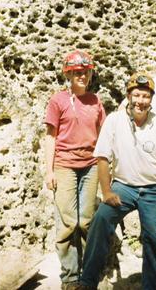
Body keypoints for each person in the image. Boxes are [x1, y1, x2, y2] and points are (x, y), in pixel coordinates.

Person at [77, 73, 156, 289]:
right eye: (136, 95)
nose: (141, 100)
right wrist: (106, 192)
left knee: (152, 237)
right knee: (101, 220)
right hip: (124, 187)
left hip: (154, 190)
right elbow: (103, 158)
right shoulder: (114, 120)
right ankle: (87, 281)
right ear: (128, 96)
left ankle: (151, 285)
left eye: (145, 96)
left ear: (151, 99)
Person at [44, 50, 106, 289]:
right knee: (68, 222)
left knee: (87, 222)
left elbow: (103, 137)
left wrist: (106, 169)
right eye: (77, 72)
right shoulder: (57, 100)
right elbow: (51, 137)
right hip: (64, 166)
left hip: (90, 165)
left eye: (86, 72)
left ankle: (88, 274)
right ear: (68, 74)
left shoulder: (95, 101)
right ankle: (70, 277)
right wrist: (48, 171)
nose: (82, 76)